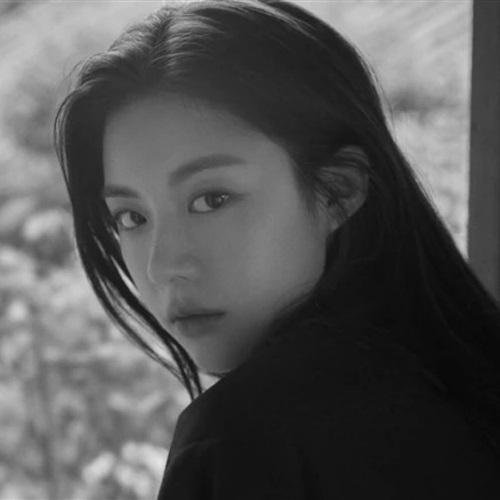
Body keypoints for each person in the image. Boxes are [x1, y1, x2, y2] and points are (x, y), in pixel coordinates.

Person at [53, 0, 500, 497]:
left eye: (212, 199)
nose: (163, 266)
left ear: (339, 189)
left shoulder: (245, 438)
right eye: (131, 218)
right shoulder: (464, 384)